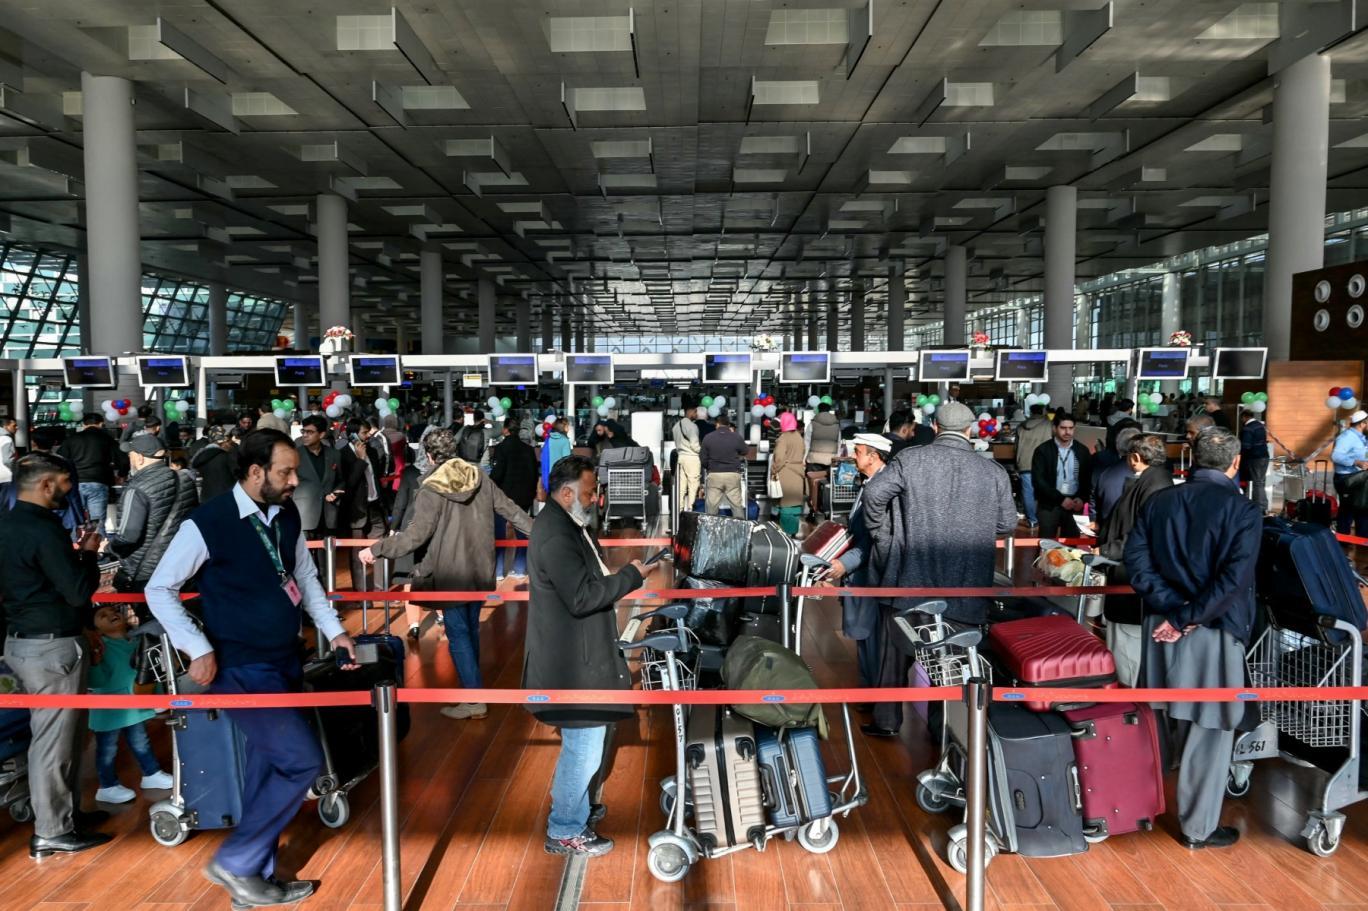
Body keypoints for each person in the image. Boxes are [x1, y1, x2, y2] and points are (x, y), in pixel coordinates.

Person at [145, 429, 358, 907]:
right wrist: (196, 647)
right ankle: (237, 861)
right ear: (255, 471)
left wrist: (334, 630)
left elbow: (304, 576)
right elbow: (159, 588)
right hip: (241, 667)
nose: (294, 480)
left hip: (285, 658)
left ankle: (253, 882)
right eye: (286, 472)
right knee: (301, 761)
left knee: (268, 768)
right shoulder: (209, 522)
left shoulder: (286, 514)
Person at [1124, 427, 1261, 850]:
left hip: (1160, 626)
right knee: (1211, 727)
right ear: (1236, 463)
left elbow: (1136, 562)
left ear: (1192, 459)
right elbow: (1233, 581)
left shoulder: (1160, 501)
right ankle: (1198, 828)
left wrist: (1171, 609)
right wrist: (1187, 616)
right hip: (1212, 629)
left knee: (1159, 719)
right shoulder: (1243, 510)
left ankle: (1135, 808)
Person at [860, 402, 1016, 737]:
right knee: (952, 667)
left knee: (894, 656)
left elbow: (874, 493)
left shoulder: (911, 459)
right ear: (970, 430)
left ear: (934, 426)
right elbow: (1006, 524)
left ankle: (887, 721)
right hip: (966, 585)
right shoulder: (992, 471)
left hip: (908, 579)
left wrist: (883, 537)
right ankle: (942, 730)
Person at [359, 437, 534, 720]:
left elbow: (415, 536)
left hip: (449, 573)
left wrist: (377, 549)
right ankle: (472, 690)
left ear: (429, 456)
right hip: (480, 568)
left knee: (459, 635)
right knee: (470, 630)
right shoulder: (479, 477)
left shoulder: (431, 488)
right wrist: (542, 533)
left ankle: (474, 698)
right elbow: (511, 510)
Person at [524, 455, 647, 857]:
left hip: (577, 655)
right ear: (566, 493)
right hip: (571, 664)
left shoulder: (566, 526)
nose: (595, 500)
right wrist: (631, 576)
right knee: (584, 747)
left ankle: (574, 810)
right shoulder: (557, 535)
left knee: (584, 743)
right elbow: (581, 597)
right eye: (590, 492)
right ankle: (564, 828)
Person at [0, 453, 109, 858]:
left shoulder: (7, 524)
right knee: (55, 742)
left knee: (61, 737)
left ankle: (64, 817)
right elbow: (78, 591)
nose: (69, 490)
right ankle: (52, 830)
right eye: (65, 482)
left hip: (23, 640)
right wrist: (89, 553)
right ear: (46, 484)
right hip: (52, 646)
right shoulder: (44, 530)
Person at [1096, 433, 1173, 686]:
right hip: (1131, 575)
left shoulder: (1153, 486)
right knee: (1124, 645)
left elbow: (1141, 534)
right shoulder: (1156, 481)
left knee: (1128, 650)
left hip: (1132, 578)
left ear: (1136, 457)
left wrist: (1107, 550)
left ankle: (1130, 697)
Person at [821, 433, 891, 690]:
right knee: (866, 638)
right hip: (863, 572)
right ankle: (869, 690)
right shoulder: (870, 483)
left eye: (858, 451)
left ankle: (874, 694)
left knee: (872, 639)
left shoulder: (882, 488)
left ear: (874, 456)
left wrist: (844, 564)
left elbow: (874, 540)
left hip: (871, 574)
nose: (853, 456)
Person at [87, 605, 174, 804]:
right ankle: (107, 786)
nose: (112, 614)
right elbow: (97, 681)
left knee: (141, 741)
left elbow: (149, 673)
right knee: (107, 749)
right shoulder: (101, 647)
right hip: (109, 708)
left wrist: (157, 698)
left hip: (134, 705)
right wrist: (95, 661)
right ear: (97, 629)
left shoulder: (137, 641)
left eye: (114, 611)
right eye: (103, 615)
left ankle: (151, 773)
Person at [105, 435, 198, 598]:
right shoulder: (185, 479)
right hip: (184, 566)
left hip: (147, 571)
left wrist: (108, 547)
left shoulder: (136, 489)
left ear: (140, 458)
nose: (129, 459)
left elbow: (128, 536)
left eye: (130, 455)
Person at [340, 419, 388, 596]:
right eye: (363, 433)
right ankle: (361, 594)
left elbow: (376, 478)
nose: (367, 436)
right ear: (352, 435)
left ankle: (381, 589)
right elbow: (349, 484)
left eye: (368, 432)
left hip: (375, 506)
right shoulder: (343, 455)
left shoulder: (372, 451)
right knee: (356, 553)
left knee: (380, 546)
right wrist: (360, 460)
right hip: (356, 511)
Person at [1031, 412, 1093, 538]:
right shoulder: (1043, 450)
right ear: (1054, 428)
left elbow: (1088, 478)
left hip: (1075, 504)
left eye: (1071, 428)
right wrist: (1061, 499)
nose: (1067, 432)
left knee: (1071, 544)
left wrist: (1082, 498)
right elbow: (1038, 481)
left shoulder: (1082, 450)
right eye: (1063, 428)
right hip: (1049, 505)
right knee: (1046, 543)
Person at [490, 421, 540, 576]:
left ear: (505, 430)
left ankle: (498, 571)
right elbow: (534, 472)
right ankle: (519, 568)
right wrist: (531, 492)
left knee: (499, 532)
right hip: (524, 495)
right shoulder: (528, 449)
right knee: (522, 530)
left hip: (504, 496)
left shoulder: (501, 448)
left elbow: (497, 473)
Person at [61, 412, 126, 530]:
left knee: (76, 521)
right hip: (99, 481)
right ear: (101, 424)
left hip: (75, 484)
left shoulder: (72, 439)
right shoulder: (107, 439)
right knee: (97, 523)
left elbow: (61, 460)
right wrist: (122, 475)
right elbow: (123, 459)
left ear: (83, 424)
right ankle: (97, 540)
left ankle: (76, 540)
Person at [293, 415, 344, 539]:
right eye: (303, 431)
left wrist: (335, 493)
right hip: (304, 514)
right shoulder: (295, 455)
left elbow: (340, 480)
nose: (305, 435)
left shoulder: (334, 454)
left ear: (321, 434)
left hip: (329, 514)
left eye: (310, 432)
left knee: (328, 551)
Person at [700, 414, 749, 517]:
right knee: (736, 506)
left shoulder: (708, 437)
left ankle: (711, 527)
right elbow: (745, 451)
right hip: (732, 474)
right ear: (728, 424)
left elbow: (703, 458)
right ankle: (740, 526)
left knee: (712, 508)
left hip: (714, 475)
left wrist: (709, 467)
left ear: (717, 424)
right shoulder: (736, 436)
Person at [1093, 426, 1143, 525]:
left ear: (1118, 447)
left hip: (1106, 527)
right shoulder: (1145, 476)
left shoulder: (1105, 474)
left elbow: (1094, 502)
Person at [1013, 404, 1052, 530]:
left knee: (1028, 493)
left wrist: (1017, 463)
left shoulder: (1021, 426)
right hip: (1044, 463)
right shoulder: (1049, 425)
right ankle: (1045, 518)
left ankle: (1032, 520)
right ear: (1043, 411)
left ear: (1030, 412)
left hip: (1025, 463)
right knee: (1045, 492)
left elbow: (1016, 447)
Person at [1332, 409, 1368, 537]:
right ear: (1362, 424)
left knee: (1362, 509)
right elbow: (1336, 456)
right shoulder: (1347, 437)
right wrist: (1356, 462)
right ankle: (1343, 541)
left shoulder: (1362, 438)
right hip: (1347, 479)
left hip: (1361, 478)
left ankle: (1362, 541)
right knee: (1348, 511)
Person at [770, 411, 807, 534]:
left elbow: (779, 458)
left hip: (786, 473)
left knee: (786, 505)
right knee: (795, 504)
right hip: (798, 472)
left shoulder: (783, 438)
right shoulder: (799, 437)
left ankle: (786, 534)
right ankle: (793, 532)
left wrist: (774, 470)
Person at [192, 426, 238, 502]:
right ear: (223, 442)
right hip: (225, 499)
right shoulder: (226, 456)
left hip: (206, 499)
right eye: (228, 441)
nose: (230, 444)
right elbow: (238, 476)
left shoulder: (200, 456)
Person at [672, 406, 703, 515]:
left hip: (681, 457)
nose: (697, 415)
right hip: (692, 459)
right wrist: (703, 451)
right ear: (691, 412)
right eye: (695, 412)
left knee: (681, 488)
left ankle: (678, 513)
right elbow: (695, 446)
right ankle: (691, 512)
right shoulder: (692, 426)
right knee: (693, 487)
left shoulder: (676, 426)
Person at [1239, 408, 1270, 514]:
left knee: (1256, 482)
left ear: (1244, 417)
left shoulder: (1248, 428)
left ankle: (1260, 506)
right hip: (1264, 456)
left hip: (1254, 458)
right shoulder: (1260, 425)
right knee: (1260, 482)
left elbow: (1246, 446)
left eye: (1241, 418)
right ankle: (1262, 505)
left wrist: (1240, 456)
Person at [541, 418, 572, 496]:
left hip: (548, 475)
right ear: (563, 427)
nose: (569, 428)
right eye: (567, 426)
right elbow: (567, 460)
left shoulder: (549, 439)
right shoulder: (564, 440)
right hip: (560, 476)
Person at [0, 415, 17, 482]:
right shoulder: (6, 439)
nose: (17, 427)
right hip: (6, 477)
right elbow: (7, 460)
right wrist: (16, 470)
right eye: (14, 426)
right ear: (5, 426)